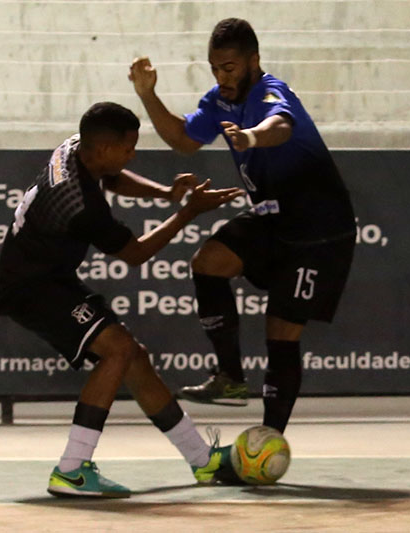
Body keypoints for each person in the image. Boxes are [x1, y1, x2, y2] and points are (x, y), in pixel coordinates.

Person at [0, 102, 242, 498]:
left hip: (49, 278)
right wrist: (189, 212)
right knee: (118, 350)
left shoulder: (76, 147)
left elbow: (112, 177)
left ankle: (201, 459)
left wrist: (165, 194)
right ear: (105, 148)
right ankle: (72, 469)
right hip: (32, 289)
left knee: (133, 355)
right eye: (128, 148)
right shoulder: (79, 203)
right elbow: (136, 254)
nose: (132, 154)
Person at [129, 18, 356, 434]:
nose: (221, 77)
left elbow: (280, 126)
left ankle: (270, 437)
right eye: (215, 68)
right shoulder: (219, 101)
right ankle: (230, 377)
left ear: (253, 61)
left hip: (318, 229)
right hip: (273, 217)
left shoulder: (271, 91)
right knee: (208, 262)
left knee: (281, 332)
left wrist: (251, 137)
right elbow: (183, 140)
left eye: (229, 67)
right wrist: (148, 95)